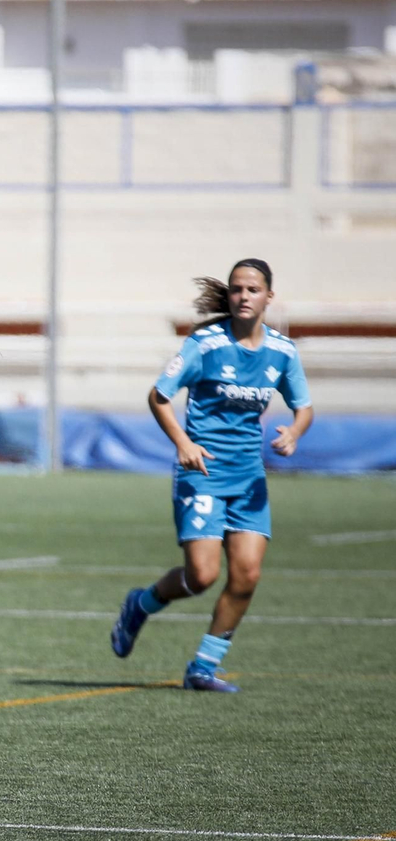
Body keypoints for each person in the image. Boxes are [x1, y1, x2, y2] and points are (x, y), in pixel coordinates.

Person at [110, 259, 312, 692]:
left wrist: (295, 431)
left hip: (249, 479)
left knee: (247, 576)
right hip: (202, 472)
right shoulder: (205, 344)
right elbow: (159, 395)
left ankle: (202, 667)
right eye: (237, 288)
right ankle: (141, 604)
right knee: (201, 576)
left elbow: (304, 407)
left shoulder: (282, 351)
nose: (243, 296)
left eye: (253, 289)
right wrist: (183, 443)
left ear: (269, 297)